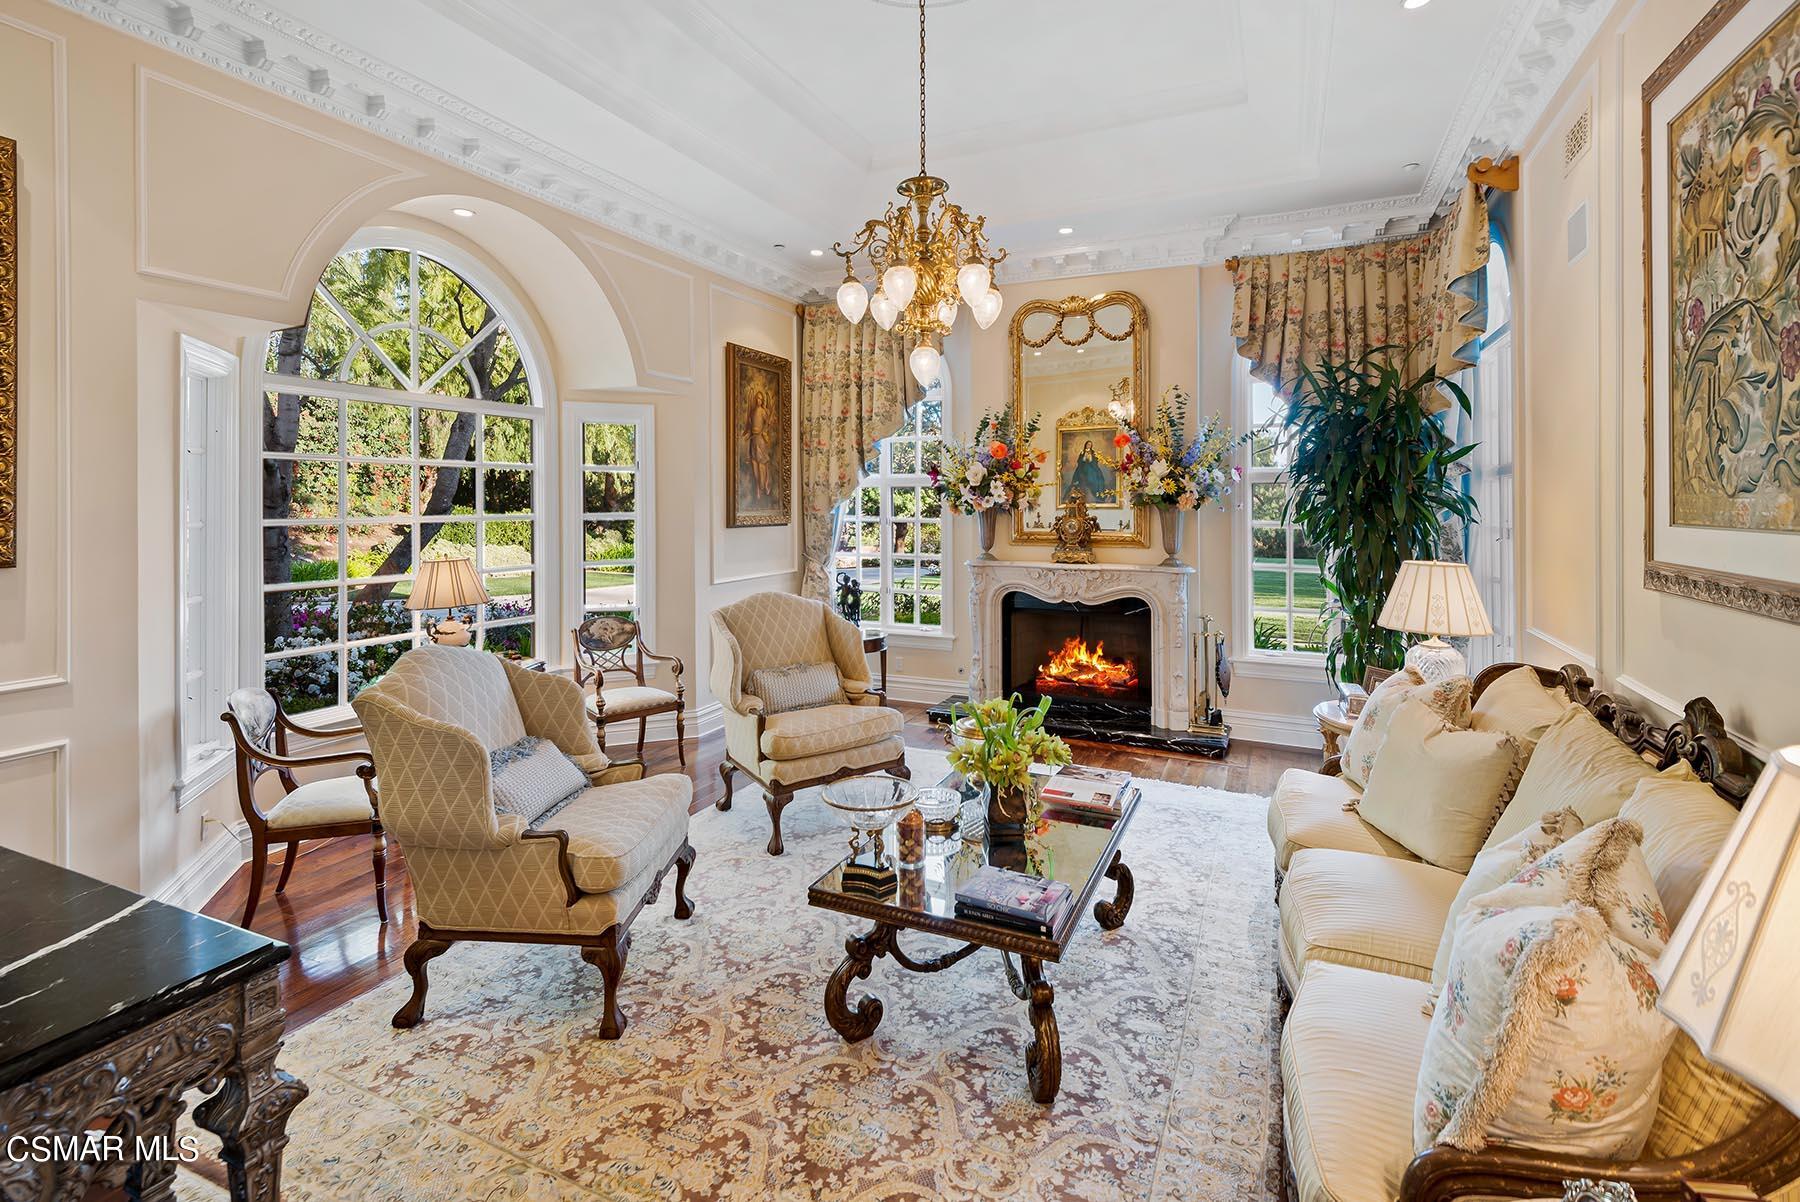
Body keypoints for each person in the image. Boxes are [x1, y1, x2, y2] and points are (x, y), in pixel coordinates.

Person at [1066, 438, 1111, 504]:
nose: (1089, 446)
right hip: (1082, 468)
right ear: (1086, 445)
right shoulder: (1082, 452)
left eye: (1090, 445)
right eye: (1088, 444)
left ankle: (1098, 495)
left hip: (1092, 467)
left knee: (1098, 478)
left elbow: (1096, 461)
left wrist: (1090, 459)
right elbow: (1079, 461)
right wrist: (1084, 458)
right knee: (1080, 478)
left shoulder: (1093, 453)